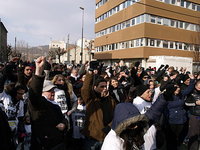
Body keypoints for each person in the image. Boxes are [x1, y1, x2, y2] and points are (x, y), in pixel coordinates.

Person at [28, 56, 68, 150]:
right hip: (42, 145)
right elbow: (34, 94)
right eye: (50, 91)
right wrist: (38, 72)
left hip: (57, 144)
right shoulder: (38, 104)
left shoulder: (55, 105)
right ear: (42, 92)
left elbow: (63, 118)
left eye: (53, 90)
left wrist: (64, 124)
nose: (53, 92)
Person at [81, 70, 116, 150]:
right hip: (92, 138)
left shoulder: (111, 100)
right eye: (101, 87)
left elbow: (116, 115)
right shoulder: (91, 99)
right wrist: (90, 73)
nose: (104, 89)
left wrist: (109, 127)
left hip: (107, 137)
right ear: (95, 87)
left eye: (105, 86)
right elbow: (85, 89)